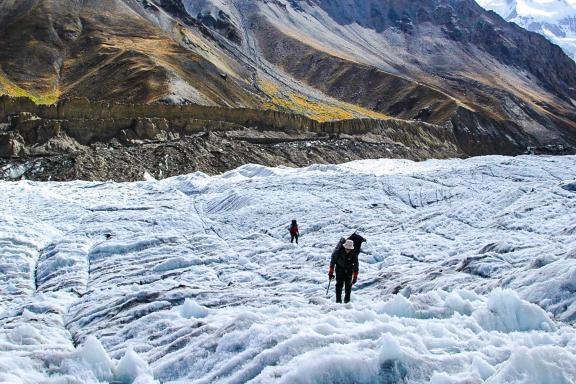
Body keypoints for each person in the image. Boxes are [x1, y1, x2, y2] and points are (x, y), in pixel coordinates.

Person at [328, 239, 359, 303]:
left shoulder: (354, 254)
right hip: (339, 270)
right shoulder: (338, 252)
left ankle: (347, 302)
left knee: (348, 286)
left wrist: (355, 277)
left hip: (349, 271)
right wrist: (331, 272)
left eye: (349, 249)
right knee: (339, 285)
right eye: (347, 248)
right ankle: (338, 302)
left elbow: (356, 266)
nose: (348, 250)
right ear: (344, 247)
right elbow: (332, 263)